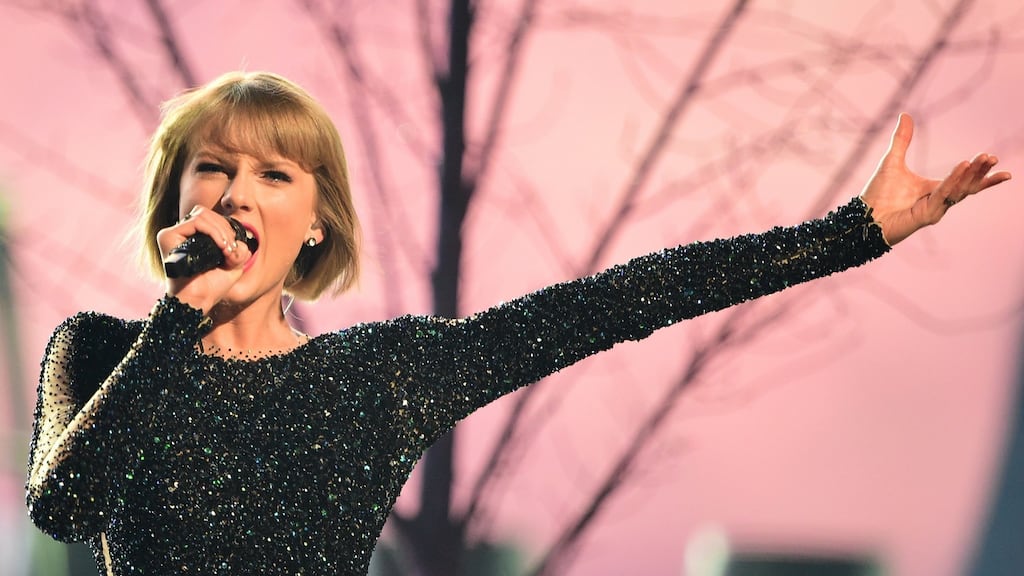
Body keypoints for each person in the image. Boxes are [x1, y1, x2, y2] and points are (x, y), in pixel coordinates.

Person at [25, 71, 1011, 575]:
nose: (240, 191)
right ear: (175, 195)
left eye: (273, 172)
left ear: (315, 218)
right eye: (216, 168)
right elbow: (65, 507)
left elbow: (617, 302)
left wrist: (854, 233)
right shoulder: (102, 351)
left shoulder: (383, 374)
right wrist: (178, 316)